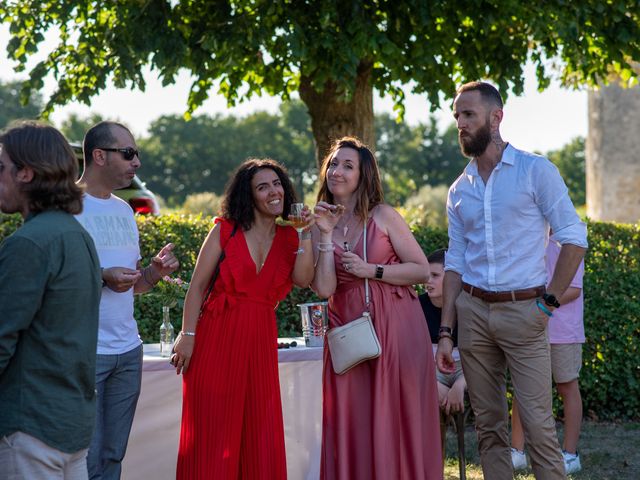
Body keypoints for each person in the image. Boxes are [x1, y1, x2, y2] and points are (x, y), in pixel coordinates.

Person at [436, 81, 587, 479]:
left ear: (496, 117)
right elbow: (453, 262)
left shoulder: (535, 171)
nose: (461, 124)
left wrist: (548, 303)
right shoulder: (458, 190)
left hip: (526, 311)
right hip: (473, 312)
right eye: (457, 116)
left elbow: (574, 238)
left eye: (468, 114)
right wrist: (447, 330)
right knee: (489, 427)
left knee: (537, 427)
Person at [173, 158, 314, 479]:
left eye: (277, 184)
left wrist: (306, 231)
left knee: (258, 432)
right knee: (211, 434)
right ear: (247, 196)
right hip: (214, 340)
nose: (273, 191)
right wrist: (187, 335)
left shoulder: (290, 238)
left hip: (259, 344)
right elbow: (196, 288)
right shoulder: (224, 231)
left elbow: (305, 279)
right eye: (262, 187)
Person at [312, 136, 442, 480]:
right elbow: (324, 288)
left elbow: (421, 269)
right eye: (333, 164)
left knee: (393, 414)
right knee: (353, 415)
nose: (336, 171)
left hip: (395, 327)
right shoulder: (320, 223)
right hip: (346, 330)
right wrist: (323, 237)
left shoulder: (383, 216)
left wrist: (373, 270)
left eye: (347, 166)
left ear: (363, 175)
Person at [76, 121, 179, 480]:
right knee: (84, 461)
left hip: (128, 351)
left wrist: (152, 273)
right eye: (129, 153)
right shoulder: (67, 207)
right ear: (99, 156)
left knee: (112, 458)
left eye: (137, 154)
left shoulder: (123, 211)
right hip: (85, 352)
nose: (137, 163)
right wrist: (102, 277)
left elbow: (133, 285)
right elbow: (54, 282)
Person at [0, 121, 101, 479]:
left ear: (25, 173)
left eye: (1, 167)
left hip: (29, 428)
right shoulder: (77, 236)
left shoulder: (29, 243)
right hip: (69, 426)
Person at [511, 235, 585, 474]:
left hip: (563, 332)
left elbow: (573, 289)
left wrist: (539, 306)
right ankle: (517, 452)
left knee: (567, 387)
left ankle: (570, 454)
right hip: (531, 328)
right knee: (524, 389)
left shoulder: (570, 241)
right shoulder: (530, 238)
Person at [420, 248, 467, 418]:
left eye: (435, 275)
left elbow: (482, 356)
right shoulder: (418, 305)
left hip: (466, 367)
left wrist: (461, 384)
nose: (428, 280)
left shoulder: (466, 305)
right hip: (431, 367)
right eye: (426, 275)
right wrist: (432, 383)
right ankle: (435, 444)